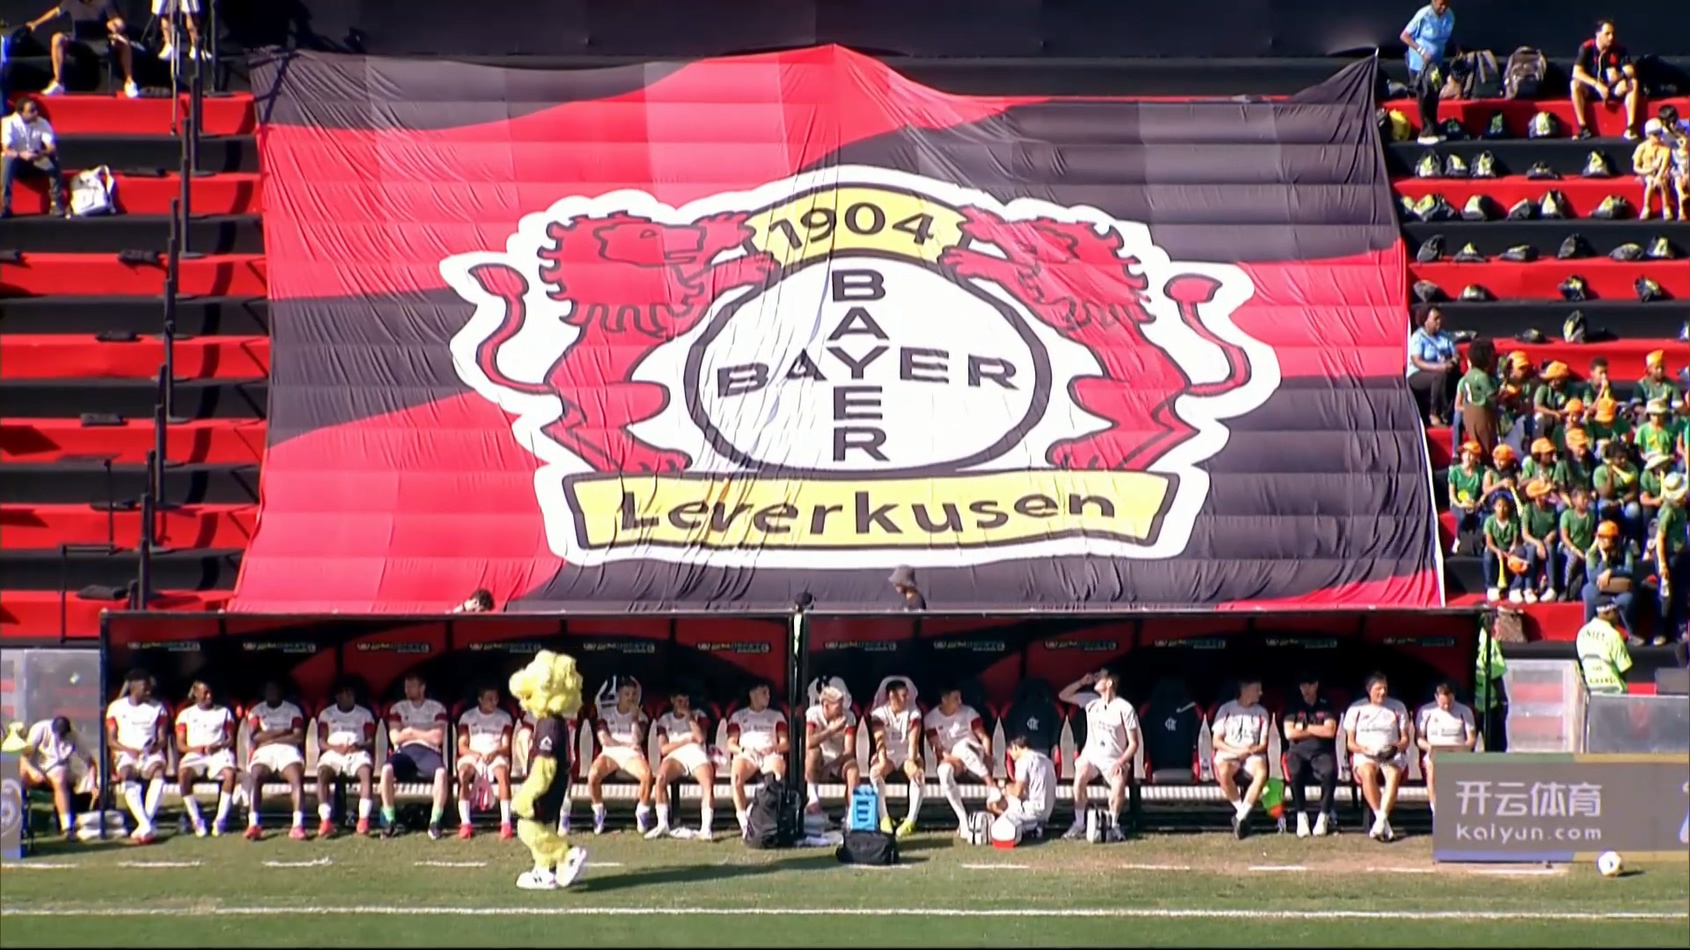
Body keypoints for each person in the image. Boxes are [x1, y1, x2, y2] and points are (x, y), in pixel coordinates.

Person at [507, 651, 590, 891]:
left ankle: (566, 853)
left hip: (549, 786)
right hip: (558, 783)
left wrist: (526, 795)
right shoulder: (552, 721)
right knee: (545, 826)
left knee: (528, 827)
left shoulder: (549, 725)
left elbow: (545, 766)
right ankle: (544, 871)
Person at [1058, 668, 1140, 842]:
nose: (1095, 678)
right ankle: (1079, 823)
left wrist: (1121, 761)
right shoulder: (1090, 701)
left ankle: (1113, 824)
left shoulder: (1125, 708)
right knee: (1080, 775)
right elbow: (1063, 695)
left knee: (1118, 782)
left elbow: (1134, 743)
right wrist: (1082, 682)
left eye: (1099, 677)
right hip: (1092, 756)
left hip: (1114, 759)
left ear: (1109, 683)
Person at [1341, 674, 1413, 842]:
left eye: (1385, 689)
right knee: (1367, 773)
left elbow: (1405, 739)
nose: (1382, 692)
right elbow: (1350, 743)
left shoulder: (1398, 707)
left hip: (1391, 755)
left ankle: (1380, 821)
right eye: (1378, 689)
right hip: (1365, 754)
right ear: (1369, 690)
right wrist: (1364, 749)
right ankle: (1382, 821)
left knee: (1393, 773)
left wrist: (1395, 748)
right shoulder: (1356, 709)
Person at [380, 672, 451, 840]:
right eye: (406, 687)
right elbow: (395, 737)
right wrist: (425, 733)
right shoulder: (398, 708)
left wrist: (411, 731)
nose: (407, 690)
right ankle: (390, 820)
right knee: (386, 769)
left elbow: (437, 738)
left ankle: (435, 822)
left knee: (441, 772)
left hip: (428, 751)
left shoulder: (437, 708)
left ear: (422, 688)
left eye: (411, 686)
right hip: (405, 751)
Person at [925, 685, 1002, 839]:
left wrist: (987, 756)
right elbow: (939, 751)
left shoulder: (969, 712)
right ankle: (963, 819)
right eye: (955, 699)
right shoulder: (931, 719)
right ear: (944, 699)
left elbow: (984, 738)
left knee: (961, 746)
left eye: (960, 698)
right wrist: (953, 759)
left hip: (974, 751)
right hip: (952, 759)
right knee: (943, 772)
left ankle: (991, 785)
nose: (960, 702)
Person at [22, 1, 138, 98]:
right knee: (57, 38)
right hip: (79, 42)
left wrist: (115, 26)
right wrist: (36, 23)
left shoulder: (104, 2)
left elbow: (118, 21)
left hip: (102, 42)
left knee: (124, 41)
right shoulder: (71, 2)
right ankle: (58, 82)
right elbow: (56, 12)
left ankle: (129, 81)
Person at [105, 669, 167, 843]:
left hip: (150, 753)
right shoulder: (116, 708)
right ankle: (146, 824)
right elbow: (111, 740)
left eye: (149, 688)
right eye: (144, 688)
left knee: (159, 772)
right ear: (133, 688)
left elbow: (162, 738)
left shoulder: (158, 708)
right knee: (126, 773)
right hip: (126, 752)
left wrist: (154, 748)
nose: (148, 692)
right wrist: (128, 749)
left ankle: (144, 823)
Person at [586, 678, 653, 835]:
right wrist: (625, 744)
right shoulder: (605, 713)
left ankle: (642, 811)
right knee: (593, 775)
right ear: (619, 695)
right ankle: (598, 811)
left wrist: (635, 718)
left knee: (647, 775)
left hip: (632, 754)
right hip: (611, 753)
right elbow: (604, 739)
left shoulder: (641, 716)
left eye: (633, 694)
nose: (630, 698)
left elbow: (637, 740)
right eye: (626, 694)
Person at [647, 688, 716, 841]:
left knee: (707, 783)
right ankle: (662, 824)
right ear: (672, 700)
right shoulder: (665, 720)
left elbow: (700, 738)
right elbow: (664, 748)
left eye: (686, 701)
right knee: (661, 778)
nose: (683, 705)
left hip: (696, 752)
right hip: (675, 755)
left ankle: (706, 828)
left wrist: (690, 718)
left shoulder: (698, 715)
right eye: (679, 701)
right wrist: (686, 740)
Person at [244, 680, 307, 841]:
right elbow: (255, 736)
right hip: (264, 751)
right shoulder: (257, 711)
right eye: (268, 689)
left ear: (281, 691)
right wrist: (283, 731)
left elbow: (298, 736)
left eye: (274, 689)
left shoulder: (293, 710)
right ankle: (253, 824)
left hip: (288, 750)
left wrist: (271, 737)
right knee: (255, 774)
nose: (271, 692)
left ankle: (297, 825)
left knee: (296, 777)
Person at [173, 680, 237, 838]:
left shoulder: (224, 712)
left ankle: (220, 819)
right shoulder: (185, 714)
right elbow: (181, 744)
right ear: (195, 694)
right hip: (195, 754)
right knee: (183, 775)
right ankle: (196, 818)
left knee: (230, 774)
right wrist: (196, 749)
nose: (209, 696)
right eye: (205, 693)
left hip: (218, 753)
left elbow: (230, 739)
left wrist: (219, 745)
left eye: (210, 693)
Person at [1209, 677, 1271, 839]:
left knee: (1261, 773)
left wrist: (1249, 751)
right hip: (1230, 752)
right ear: (1245, 689)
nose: (1260, 693)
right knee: (1224, 772)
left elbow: (1263, 744)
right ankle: (1241, 813)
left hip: (1252, 753)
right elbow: (1216, 741)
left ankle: (1240, 817)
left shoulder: (1262, 713)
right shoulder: (1225, 710)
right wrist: (1236, 752)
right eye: (1257, 689)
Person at [314, 681, 377, 838]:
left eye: (349, 694)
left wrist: (358, 746)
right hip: (333, 752)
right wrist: (335, 748)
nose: (346, 697)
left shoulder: (365, 714)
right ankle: (325, 820)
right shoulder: (326, 714)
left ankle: (363, 819)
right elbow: (321, 742)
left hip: (357, 752)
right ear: (336, 696)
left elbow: (370, 740)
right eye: (342, 694)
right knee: (322, 773)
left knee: (365, 772)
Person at [1281, 672, 1339, 838]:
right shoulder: (1293, 705)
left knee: (1330, 772)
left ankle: (1324, 816)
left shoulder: (1325, 704)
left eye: (1309, 685)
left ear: (1316, 685)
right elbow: (1289, 733)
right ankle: (1301, 816)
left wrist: (1304, 728)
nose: (1306, 689)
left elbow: (1329, 731)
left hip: (1321, 751)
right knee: (1295, 771)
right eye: (1303, 685)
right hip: (1297, 751)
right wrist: (1316, 730)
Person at [726, 682, 788, 837]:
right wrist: (743, 750)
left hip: (770, 753)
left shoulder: (776, 716)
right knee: (736, 777)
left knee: (776, 777)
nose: (768, 696)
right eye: (764, 693)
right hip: (747, 753)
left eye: (768, 693)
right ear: (752, 694)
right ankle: (743, 821)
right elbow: (731, 744)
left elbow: (785, 744)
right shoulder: (738, 716)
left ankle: (764, 815)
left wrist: (773, 748)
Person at [20, 716, 96, 839]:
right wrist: (33, 771)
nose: (60, 737)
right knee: (20, 774)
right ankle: (18, 823)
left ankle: (66, 826)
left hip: (56, 768)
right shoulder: (40, 729)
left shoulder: (74, 736)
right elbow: (23, 757)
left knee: (60, 778)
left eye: (63, 734)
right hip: (33, 766)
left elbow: (90, 762)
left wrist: (93, 785)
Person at [455, 685, 515, 840]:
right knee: (464, 773)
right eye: (489, 699)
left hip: (495, 755)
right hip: (473, 755)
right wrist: (475, 754)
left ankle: (506, 823)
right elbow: (462, 746)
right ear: (480, 700)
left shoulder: (504, 717)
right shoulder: (467, 717)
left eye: (496, 699)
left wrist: (494, 753)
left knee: (502, 774)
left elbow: (506, 747)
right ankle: (466, 823)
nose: (494, 702)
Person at [868, 678, 924, 839]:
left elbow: (913, 741)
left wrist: (911, 761)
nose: (906, 699)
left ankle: (910, 820)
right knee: (875, 773)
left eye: (907, 695)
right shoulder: (879, 713)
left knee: (918, 773)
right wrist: (882, 762)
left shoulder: (914, 712)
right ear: (891, 696)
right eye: (903, 695)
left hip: (906, 753)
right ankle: (884, 818)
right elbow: (879, 740)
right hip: (888, 753)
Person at [1570, 20, 1643, 140]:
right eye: (1607, 34)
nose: (1611, 37)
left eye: (1613, 34)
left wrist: (1619, 76)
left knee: (1633, 82)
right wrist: (1596, 85)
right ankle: (1583, 127)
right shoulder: (1587, 48)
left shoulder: (1619, 49)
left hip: (1612, 87)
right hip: (1592, 88)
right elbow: (1576, 72)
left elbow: (1630, 70)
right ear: (1598, 34)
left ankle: (1631, 127)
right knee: (1574, 84)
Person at [1414, 682, 1477, 815]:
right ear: (1436, 698)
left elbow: (1471, 738)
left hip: (1457, 752)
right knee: (1431, 767)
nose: (1447, 706)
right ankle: (1435, 808)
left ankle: (1458, 809)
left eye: (1449, 703)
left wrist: (1464, 748)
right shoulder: (1426, 712)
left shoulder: (1464, 711)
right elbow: (1419, 739)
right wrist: (1429, 747)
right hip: (1435, 751)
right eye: (1443, 704)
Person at [1399, 0, 1455, 145]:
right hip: (1420, 64)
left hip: (1436, 63)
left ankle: (1433, 129)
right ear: (1433, 1)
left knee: (1434, 97)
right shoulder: (1423, 15)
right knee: (1424, 96)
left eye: (1446, 4)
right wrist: (1422, 51)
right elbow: (1404, 36)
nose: (1443, 7)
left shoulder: (1450, 15)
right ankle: (1425, 132)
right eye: (1441, 4)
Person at [1, 97, 66, 218]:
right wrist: (21, 154)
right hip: (18, 159)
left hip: (36, 158)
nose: (36, 113)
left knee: (54, 161)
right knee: (7, 159)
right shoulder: (9, 122)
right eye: (31, 111)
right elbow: (6, 148)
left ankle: (56, 203)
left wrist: (40, 153)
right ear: (21, 113)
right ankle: (6, 205)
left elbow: (51, 147)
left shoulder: (42, 122)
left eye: (36, 109)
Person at [984, 734, 1056, 843]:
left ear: (1015, 747)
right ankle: (1035, 824)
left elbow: (1018, 792)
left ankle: (1027, 826)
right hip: (1048, 810)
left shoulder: (1023, 761)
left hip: (1032, 809)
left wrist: (1005, 788)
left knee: (992, 803)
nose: (1011, 755)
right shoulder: (1046, 760)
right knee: (1007, 799)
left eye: (1010, 752)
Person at [803, 683, 860, 813]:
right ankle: (813, 799)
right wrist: (831, 730)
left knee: (853, 769)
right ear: (826, 705)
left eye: (842, 703)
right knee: (812, 754)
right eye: (837, 705)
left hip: (839, 758)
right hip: (821, 757)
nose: (841, 708)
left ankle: (851, 811)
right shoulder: (813, 714)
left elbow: (849, 751)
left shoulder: (848, 716)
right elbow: (808, 742)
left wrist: (831, 766)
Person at [1583, 519, 1642, 631]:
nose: (1601, 540)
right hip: (1602, 588)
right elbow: (1593, 577)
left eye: (1605, 537)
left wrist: (1611, 572)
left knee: (1626, 600)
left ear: (1614, 539)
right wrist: (1604, 560)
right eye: (1599, 537)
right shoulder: (1592, 553)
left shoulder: (1625, 550)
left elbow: (1629, 570)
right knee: (1588, 591)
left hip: (1621, 588)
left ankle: (1631, 632)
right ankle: (1588, 629)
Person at [1408, 306, 1460, 426]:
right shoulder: (1418, 337)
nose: (1439, 321)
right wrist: (1440, 367)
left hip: (1443, 371)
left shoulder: (1444, 335)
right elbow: (1417, 361)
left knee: (1458, 378)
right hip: (1418, 374)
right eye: (1436, 319)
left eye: (1440, 318)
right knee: (1439, 377)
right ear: (1425, 320)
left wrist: (1453, 361)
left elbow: (1455, 353)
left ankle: (1451, 414)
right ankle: (1434, 413)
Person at [1576, 598, 1634, 695]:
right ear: (1607, 612)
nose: (1618, 616)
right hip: (1614, 690)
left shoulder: (1582, 632)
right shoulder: (1613, 635)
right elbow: (1624, 667)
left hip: (1591, 690)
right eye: (1616, 612)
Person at [1455, 339, 1499, 456]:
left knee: (1475, 442)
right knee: (1485, 445)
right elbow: (1492, 398)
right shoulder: (1483, 377)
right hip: (1482, 413)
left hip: (1469, 413)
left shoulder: (1467, 375)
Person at [1520, 479, 1560, 602]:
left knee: (1550, 549)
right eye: (1544, 493)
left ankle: (1552, 588)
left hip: (1547, 541)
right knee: (1531, 550)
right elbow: (1525, 534)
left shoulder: (1552, 508)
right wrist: (1538, 544)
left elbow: (1555, 528)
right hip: (1531, 541)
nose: (1547, 494)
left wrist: (1552, 534)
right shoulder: (1528, 508)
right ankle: (1529, 588)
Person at [1633, 119, 1676, 220]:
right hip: (1647, 172)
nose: (1659, 136)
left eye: (1660, 133)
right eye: (1655, 134)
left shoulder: (1665, 148)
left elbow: (1664, 165)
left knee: (1663, 182)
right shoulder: (1642, 147)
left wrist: (1659, 176)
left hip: (1662, 173)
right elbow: (1636, 167)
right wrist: (1649, 171)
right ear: (1648, 135)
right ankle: (1646, 206)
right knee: (1650, 182)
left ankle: (1666, 207)